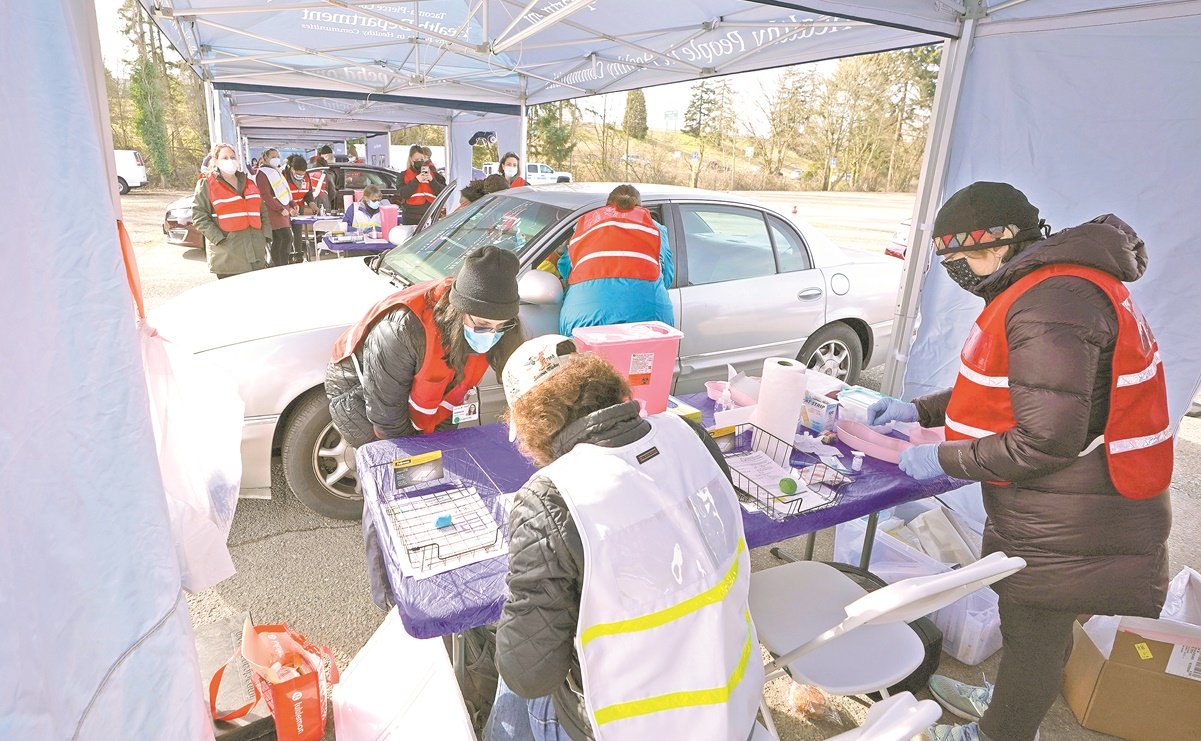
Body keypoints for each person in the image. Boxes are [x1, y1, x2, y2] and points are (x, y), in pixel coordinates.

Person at [862, 182, 1173, 741]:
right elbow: (1019, 390)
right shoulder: (1060, 286)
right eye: (948, 261)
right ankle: (1008, 706)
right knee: (1039, 630)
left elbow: (1045, 440)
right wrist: (920, 409)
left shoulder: (1051, 304)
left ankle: (999, 731)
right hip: (1075, 500)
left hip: (1072, 511)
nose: (958, 271)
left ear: (1006, 241)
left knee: (1033, 632)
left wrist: (943, 458)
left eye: (964, 256)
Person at [485, 335, 760, 741]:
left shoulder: (550, 498)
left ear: (534, 425)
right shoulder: (689, 434)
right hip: (734, 699)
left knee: (517, 677)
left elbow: (530, 675)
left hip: (631, 724)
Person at [324, 245, 524, 449]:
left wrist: (438, 445)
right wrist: (417, 455)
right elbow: (387, 417)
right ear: (459, 312)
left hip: (399, 389)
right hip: (359, 391)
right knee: (386, 457)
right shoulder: (403, 328)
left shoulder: (483, 328)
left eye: (501, 326)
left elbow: (451, 398)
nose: (491, 334)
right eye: (483, 324)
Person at [556, 185, 674, 335]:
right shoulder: (656, 229)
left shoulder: (585, 225)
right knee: (650, 350)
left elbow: (567, 269)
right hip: (651, 319)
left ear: (607, 205)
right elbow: (667, 278)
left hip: (583, 319)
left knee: (582, 350)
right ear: (639, 206)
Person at [191, 142, 271, 279]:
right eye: (225, 158)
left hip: (256, 253)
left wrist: (266, 236)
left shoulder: (249, 183)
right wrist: (220, 240)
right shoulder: (206, 184)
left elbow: (262, 211)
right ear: (215, 160)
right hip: (227, 257)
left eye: (233, 157)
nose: (230, 161)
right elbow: (199, 216)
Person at [255, 148, 295, 267]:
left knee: (280, 240)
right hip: (274, 211)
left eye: (277, 156)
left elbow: (284, 190)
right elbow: (265, 195)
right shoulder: (262, 173)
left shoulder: (277, 171)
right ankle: (280, 264)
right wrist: (279, 208)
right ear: (265, 158)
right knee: (285, 238)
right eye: (273, 157)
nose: (276, 159)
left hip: (283, 210)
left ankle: (279, 264)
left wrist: (292, 203)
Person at [398, 145, 444, 225]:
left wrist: (432, 181)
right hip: (411, 217)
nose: (419, 162)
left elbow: (443, 193)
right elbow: (403, 194)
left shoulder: (434, 175)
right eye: (416, 160)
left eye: (422, 159)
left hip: (431, 216)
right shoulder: (403, 175)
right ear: (411, 159)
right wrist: (416, 180)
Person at [284, 155, 314, 263]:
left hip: (299, 208)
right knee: (286, 233)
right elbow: (279, 196)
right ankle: (287, 256)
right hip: (285, 209)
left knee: (297, 232)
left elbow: (308, 193)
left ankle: (298, 255)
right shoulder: (283, 176)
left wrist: (311, 203)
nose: (301, 176)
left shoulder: (306, 176)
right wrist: (289, 209)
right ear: (292, 169)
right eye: (299, 174)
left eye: (303, 174)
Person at [309, 145, 336, 213]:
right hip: (324, 201)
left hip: (310, 204)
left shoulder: (310, 172)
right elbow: (332, 191)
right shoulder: (325, 174)